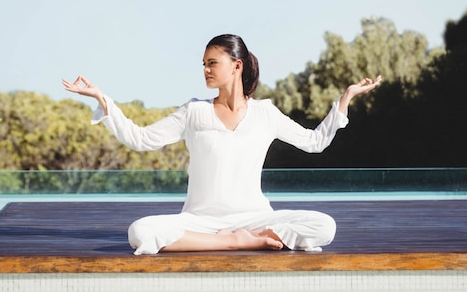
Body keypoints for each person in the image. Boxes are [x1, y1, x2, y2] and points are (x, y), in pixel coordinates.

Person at [62, 34, 381, 255]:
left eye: (212, 63)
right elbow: (140, 139)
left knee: (324, 226)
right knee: (140, 233)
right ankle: (239, 243)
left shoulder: (265, 113)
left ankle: (239, 238)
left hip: (255, 217)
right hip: (198, 220)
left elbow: (315, 142)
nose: (205, 70)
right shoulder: (194, 112)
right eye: (203, 63)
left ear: (237, 65)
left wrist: (345, 99)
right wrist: (103, 100)